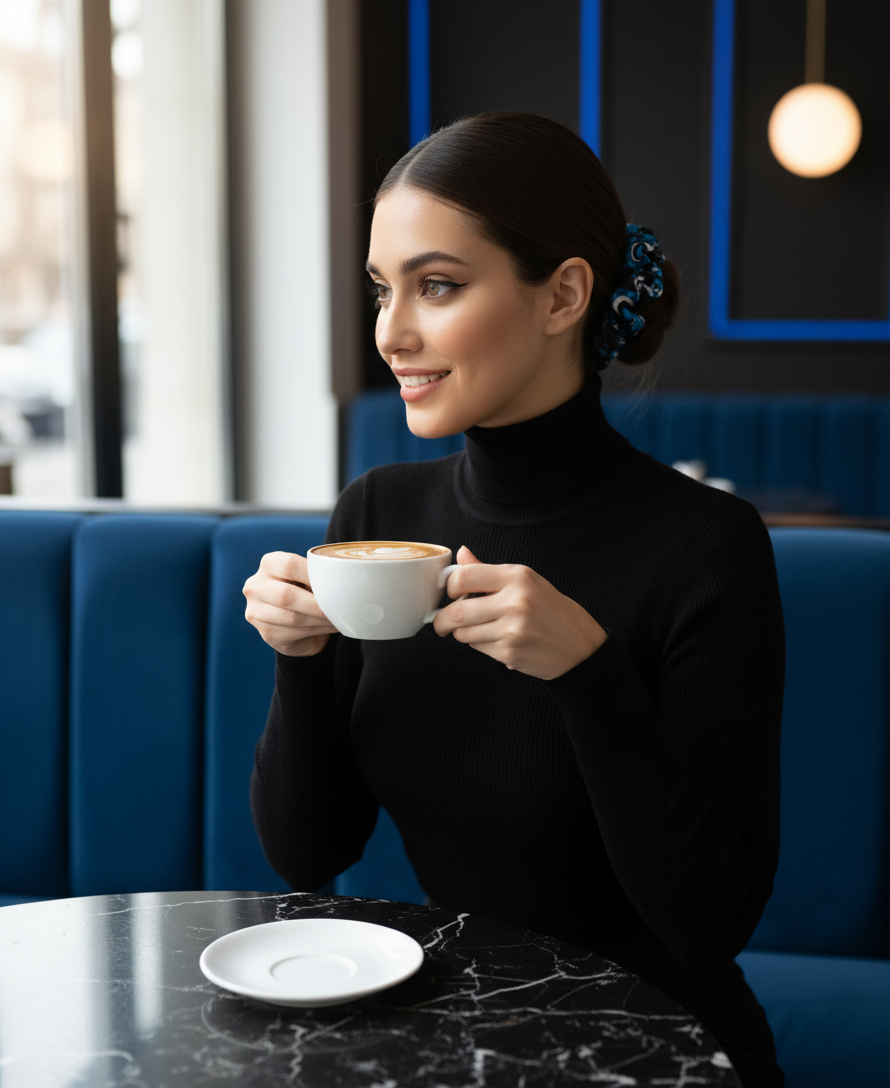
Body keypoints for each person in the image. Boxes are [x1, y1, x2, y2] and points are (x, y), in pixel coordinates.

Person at [243, 111, 785, 1088]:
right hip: (455, 1027)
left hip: (656, 1034)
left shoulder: (706, 543)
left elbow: (713, 919)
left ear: (564, 294)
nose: (391, 331)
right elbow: (306, 851)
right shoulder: (378, 511)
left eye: (436, 285)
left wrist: (588, 673)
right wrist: (300, 656)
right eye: (382, 289)